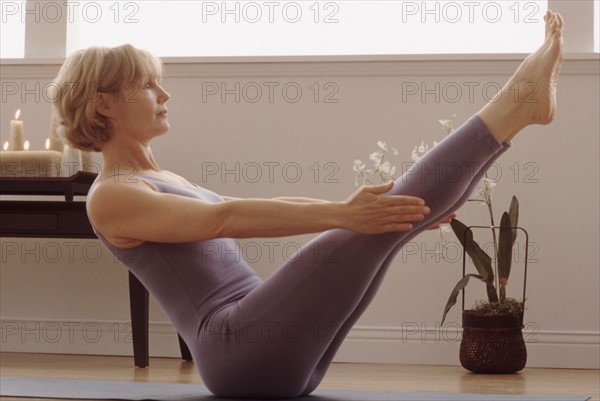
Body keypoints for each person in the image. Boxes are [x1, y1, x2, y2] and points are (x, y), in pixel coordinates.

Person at [51, 11, 563, 399]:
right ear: (103, 103)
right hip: (237, 352)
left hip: (263, 346)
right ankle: (515, 104)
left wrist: (354, 211)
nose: (163, 93)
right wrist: (345, 216)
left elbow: (239, 203)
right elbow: (223, 219)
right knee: (377, 222)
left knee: (392, 220)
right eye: (145, 85)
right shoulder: (112, 194)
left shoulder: (156, 177)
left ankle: (518, 113)